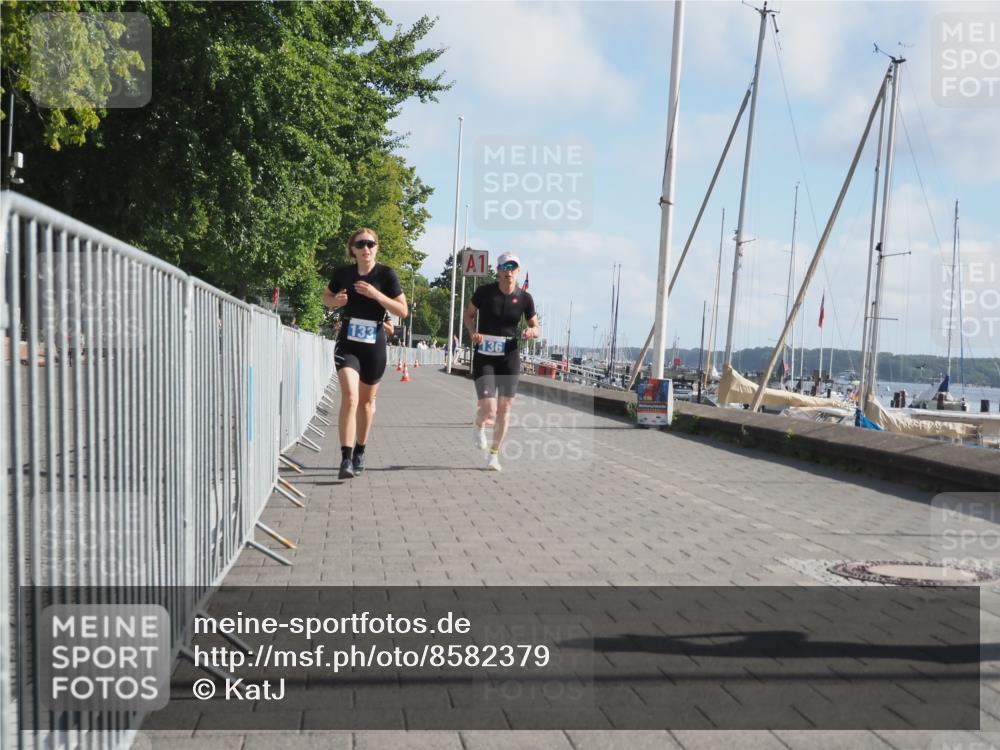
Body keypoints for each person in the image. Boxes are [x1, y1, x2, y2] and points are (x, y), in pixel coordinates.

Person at [323, 228, 408, 479]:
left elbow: (402, 311)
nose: (366, 248)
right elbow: (326, 297)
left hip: (375, 343)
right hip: (348, 341)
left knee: (367, 403)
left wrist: (376, 294)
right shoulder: (343, 273)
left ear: (376, 247)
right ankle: (346, 459)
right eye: (360, 244)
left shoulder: (386, 275)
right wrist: (335, 301)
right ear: (353, 249)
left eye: (371, 243)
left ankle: (360, 450)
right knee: (350, 398)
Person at [464, 252, 540, 472]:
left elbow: (536, 327)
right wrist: (472, 332)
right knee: (489, 409)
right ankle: (479, 426)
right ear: (497, 270)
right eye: (504, 267)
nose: (508, 271)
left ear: (518, 271)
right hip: (485, 354)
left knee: (505, 407)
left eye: (513, 267)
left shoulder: (525, 298)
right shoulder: (484, 293)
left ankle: (494, 455)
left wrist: (530, 332)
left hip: (509, 355)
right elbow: (468, 315)